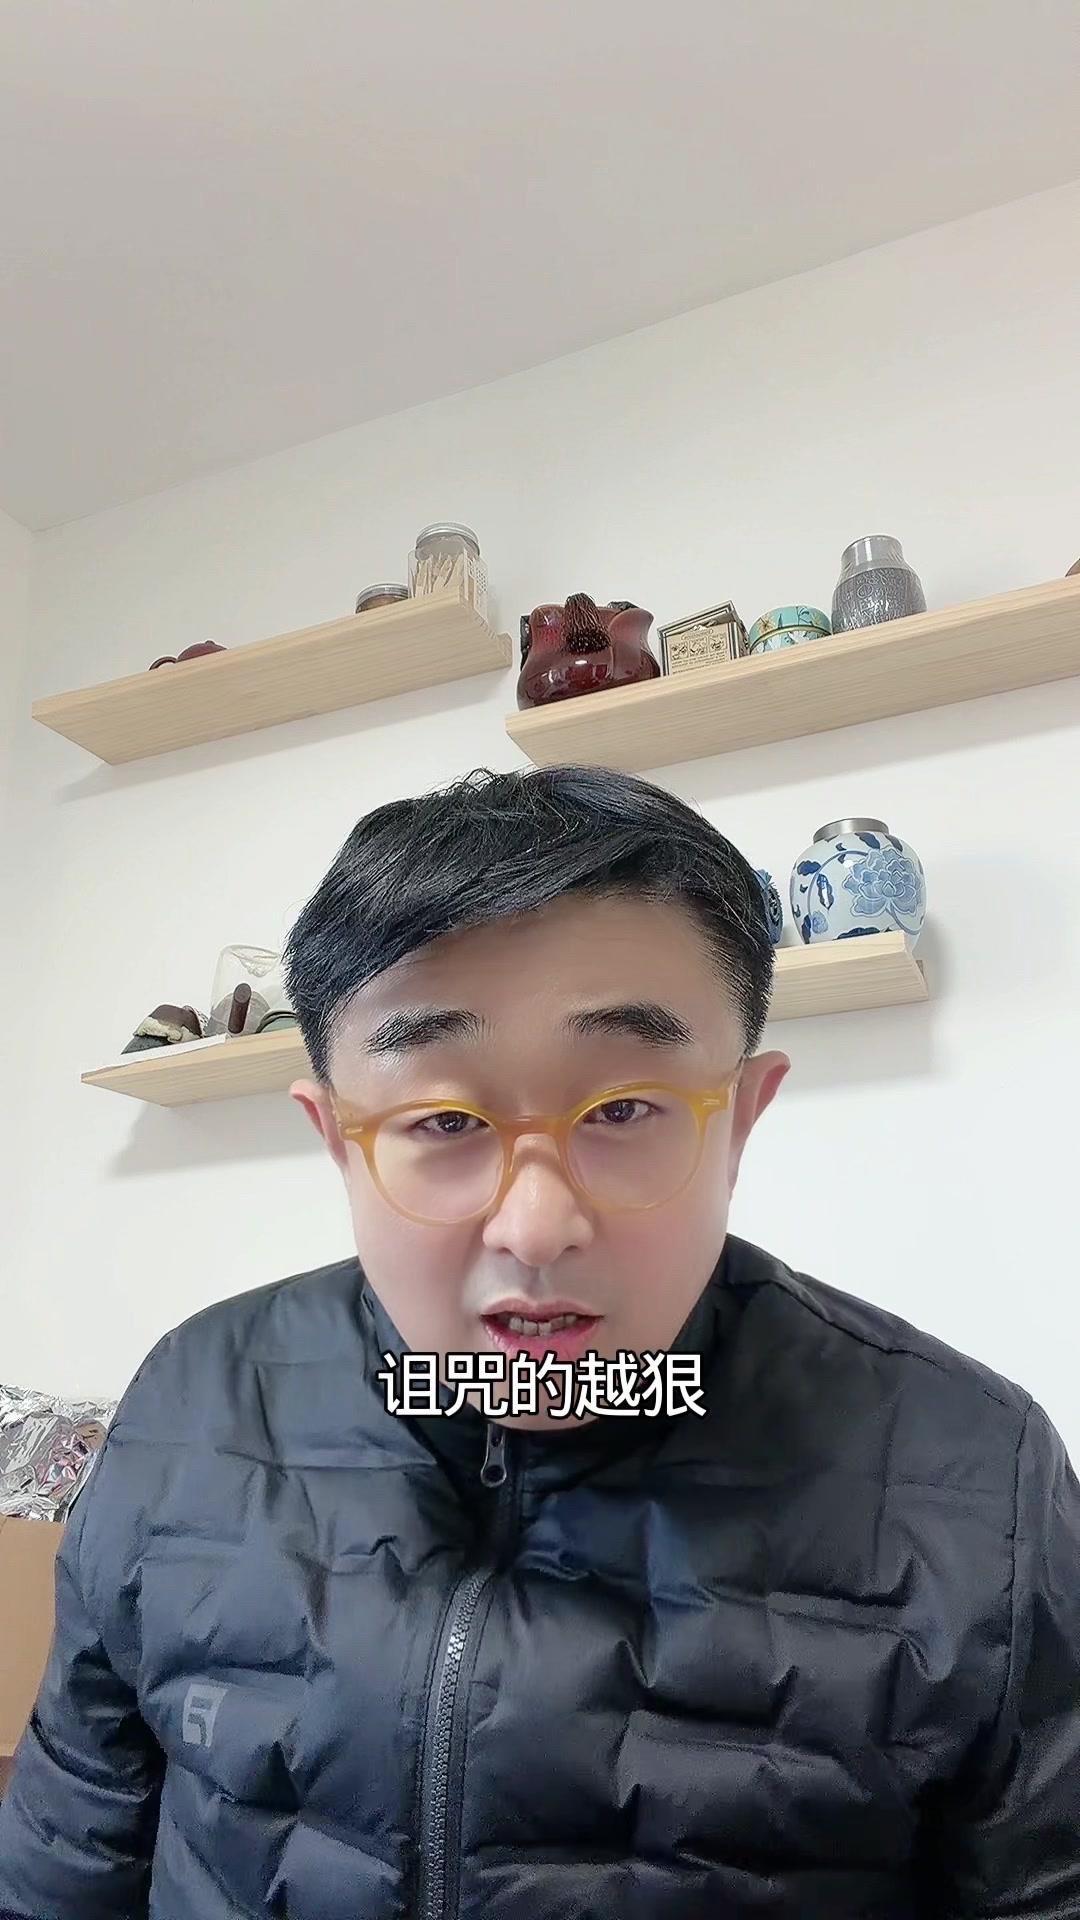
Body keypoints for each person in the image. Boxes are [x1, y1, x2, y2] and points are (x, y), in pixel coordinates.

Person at [1, 763, 1077, 1919]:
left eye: (622, 1110)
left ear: (741, 1118)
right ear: (337, 1139)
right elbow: (68, 1864)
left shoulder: (973, 1474)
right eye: (443, 1121)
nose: (536, 1226)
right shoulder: (195, 1399)